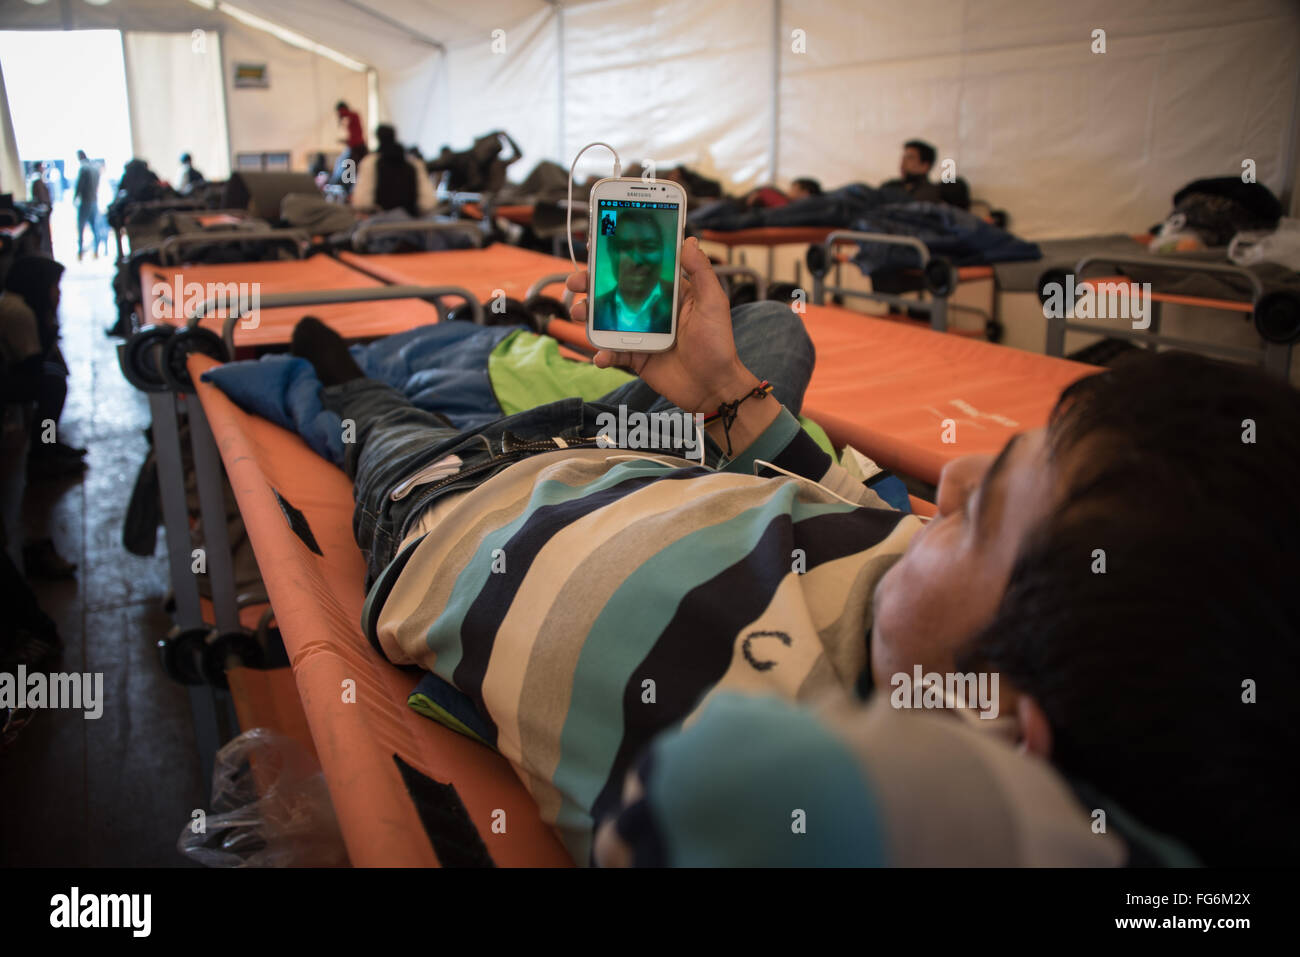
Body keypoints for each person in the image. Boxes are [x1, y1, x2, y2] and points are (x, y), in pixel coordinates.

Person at [286, 234, 1298, 866]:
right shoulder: (927, 585)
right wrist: (720, 383)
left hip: (461, 497)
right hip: (647, 454)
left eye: (981, 516)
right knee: (767, 334)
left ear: (988, 728)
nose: (948, 479)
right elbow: (833, 490)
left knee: (380, 415)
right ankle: (599, 378)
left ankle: (346, 371)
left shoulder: (804, 777)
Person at [589, 209, 675, 334]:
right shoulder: (595, 309)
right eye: (624, 247)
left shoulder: (683, 304)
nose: (636, 260)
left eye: (648, 247)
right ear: (610, 253)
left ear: (662, 251)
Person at [350, 124, 436, 216]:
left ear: (377, 137)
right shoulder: (414, 163)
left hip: (380, 223)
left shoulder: (370, 162)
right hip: (412, 223)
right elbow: (428, 202)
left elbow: (362, 202)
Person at [331, 101, 368, 192]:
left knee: (350, 169)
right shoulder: (352, 118)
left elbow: (355, 138)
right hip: (356, 148)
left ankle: (349, 189)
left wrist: (340, 114)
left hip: (358, 148)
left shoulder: (353, 115)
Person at [73, 150, 100, 260]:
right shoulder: (95, 168)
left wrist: (75, 197)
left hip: (85, 201)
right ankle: (96, 251)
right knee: (95, 227)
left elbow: (80, 185)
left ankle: (80, 252)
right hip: (93, 200)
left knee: (81, 227)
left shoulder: (84, 168)